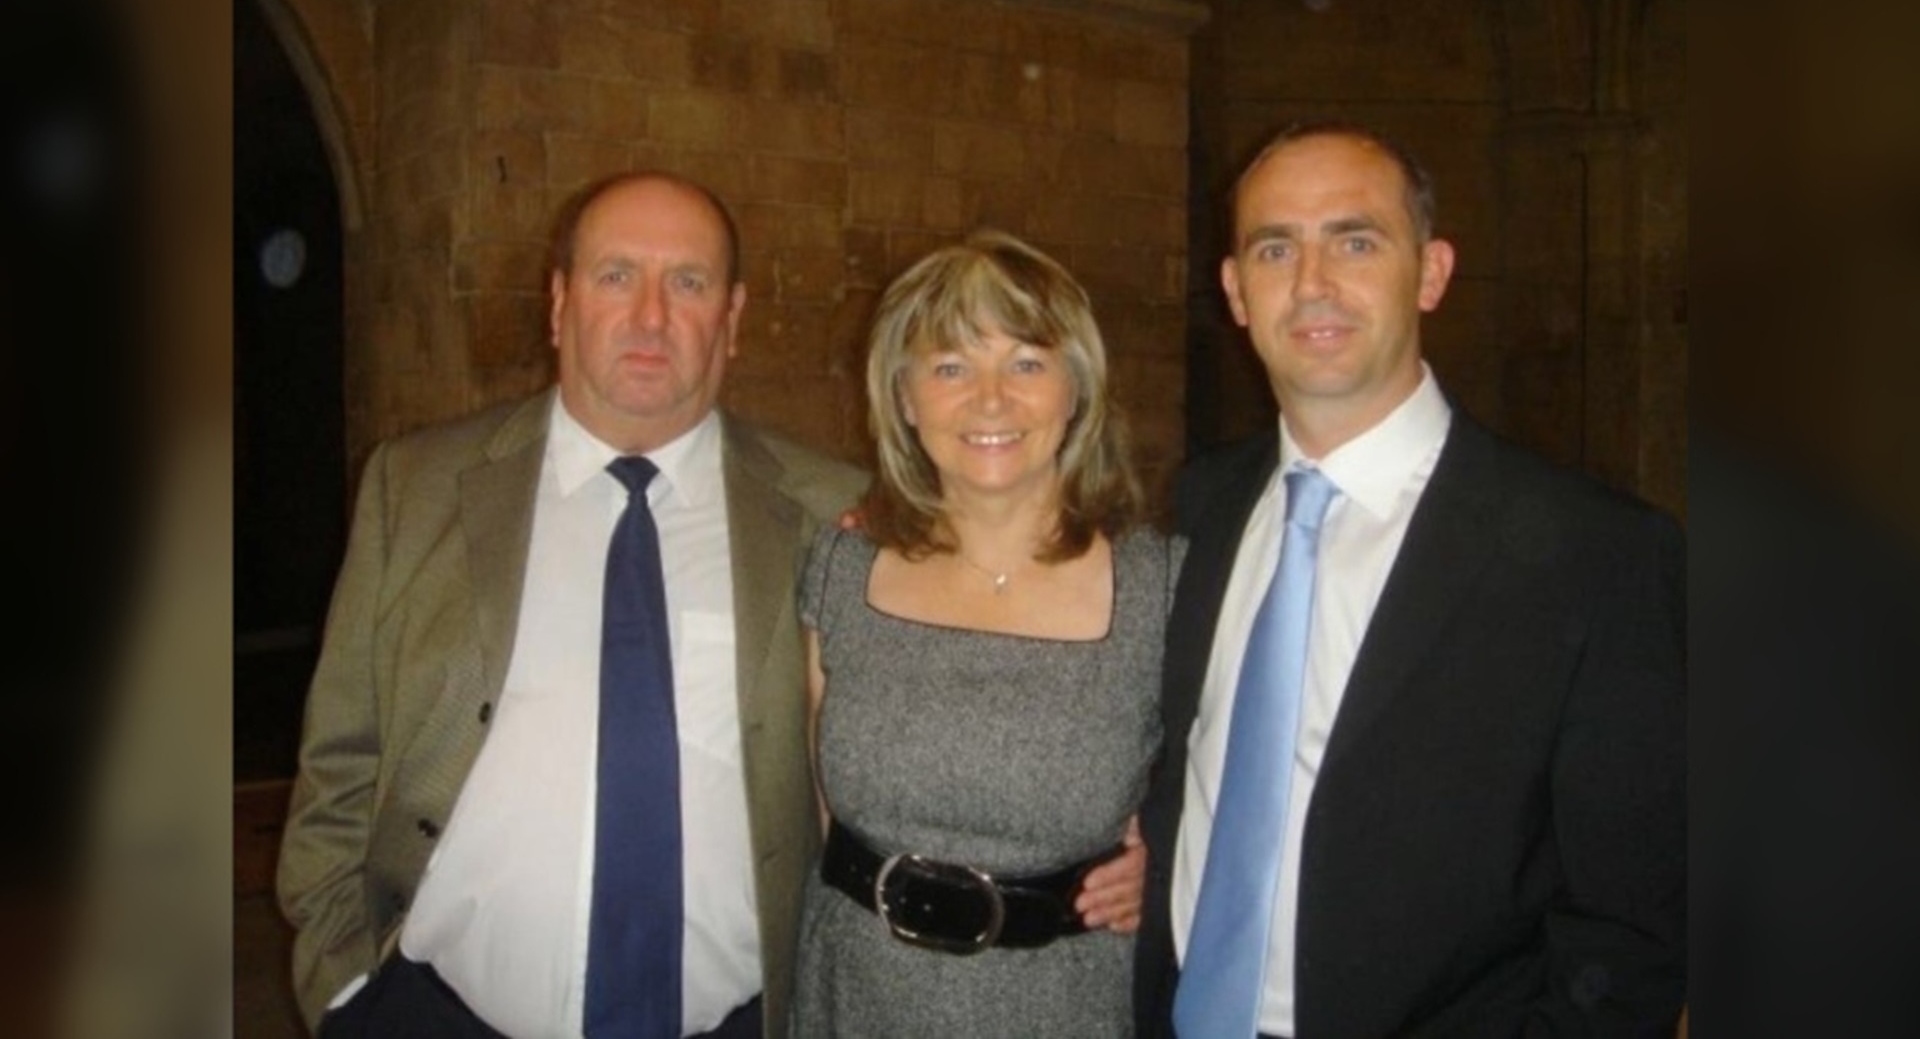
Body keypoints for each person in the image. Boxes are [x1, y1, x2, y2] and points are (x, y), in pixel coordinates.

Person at [276, 171, 1140, 1039]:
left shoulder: (835, 520)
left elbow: (980, 689)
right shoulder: (416, 488)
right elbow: (341, 762)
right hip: (438, 1015)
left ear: (730, 320)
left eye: (687, 283)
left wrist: (1137, 841)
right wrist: (348, 992)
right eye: (617, 276)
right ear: (559, 301)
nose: (650, 316)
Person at [1133, 124, 1686, 1037]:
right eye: (1276, 248)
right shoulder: (1203, 504)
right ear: (1236, 293)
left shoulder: (1600, 558)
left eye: (1355, 240)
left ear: (1430, 271)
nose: (1313, 282)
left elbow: (1633, 931)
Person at [790, 229, 1183, 1037]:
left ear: (1077, 388)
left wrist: (1173, 869)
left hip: (1065, 1007)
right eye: (950, 366)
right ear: (904, 398)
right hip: (860, 996)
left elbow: (1235, 802)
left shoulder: (1165, 589)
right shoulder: (839, 569)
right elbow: (817, 812)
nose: (991, 398)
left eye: (1027, 363)